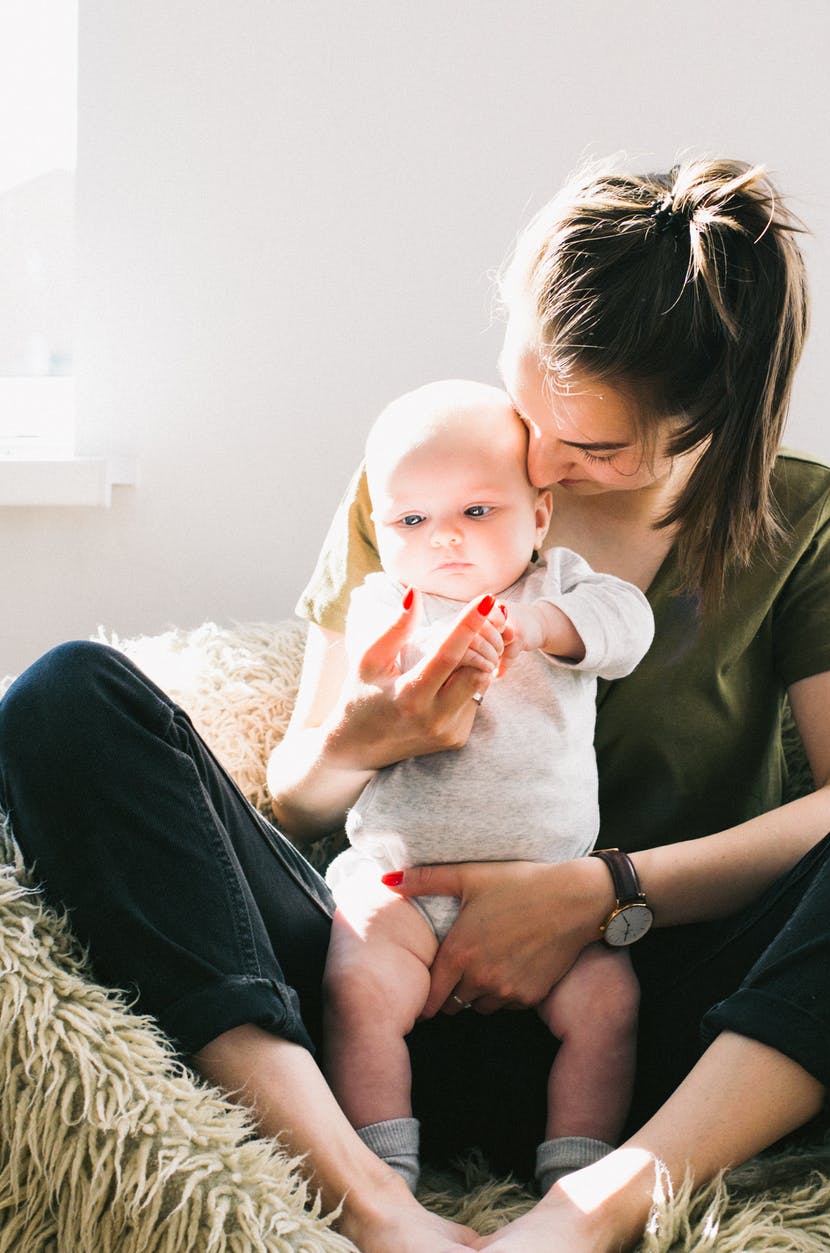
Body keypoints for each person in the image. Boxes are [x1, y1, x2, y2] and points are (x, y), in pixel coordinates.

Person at [0, 156, 830, 1253]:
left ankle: (598, 1205)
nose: (537, 461)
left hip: (643, 1027)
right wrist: (364, 739)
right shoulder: (429, 477)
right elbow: (297, 806)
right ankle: (359, 1192)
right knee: (62, 700)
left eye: (592, 447)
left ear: (707, 421)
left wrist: (599, 894)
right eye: (526, 397)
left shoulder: (799, 514)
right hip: (372, 988)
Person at [322, 379, 654, 1199]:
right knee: (354, 987)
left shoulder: (558, 589)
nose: (445, 541)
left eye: (477, 512)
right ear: (379, 528)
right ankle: (382, 1170)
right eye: (412, 520)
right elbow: (362, 670)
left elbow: (629, 626)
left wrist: (542, 628)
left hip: (552, 896)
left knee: (609, 1003)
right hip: (403, 887)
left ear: (538, 516)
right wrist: (397, 652)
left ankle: (574, 1176)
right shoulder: (386, 602)